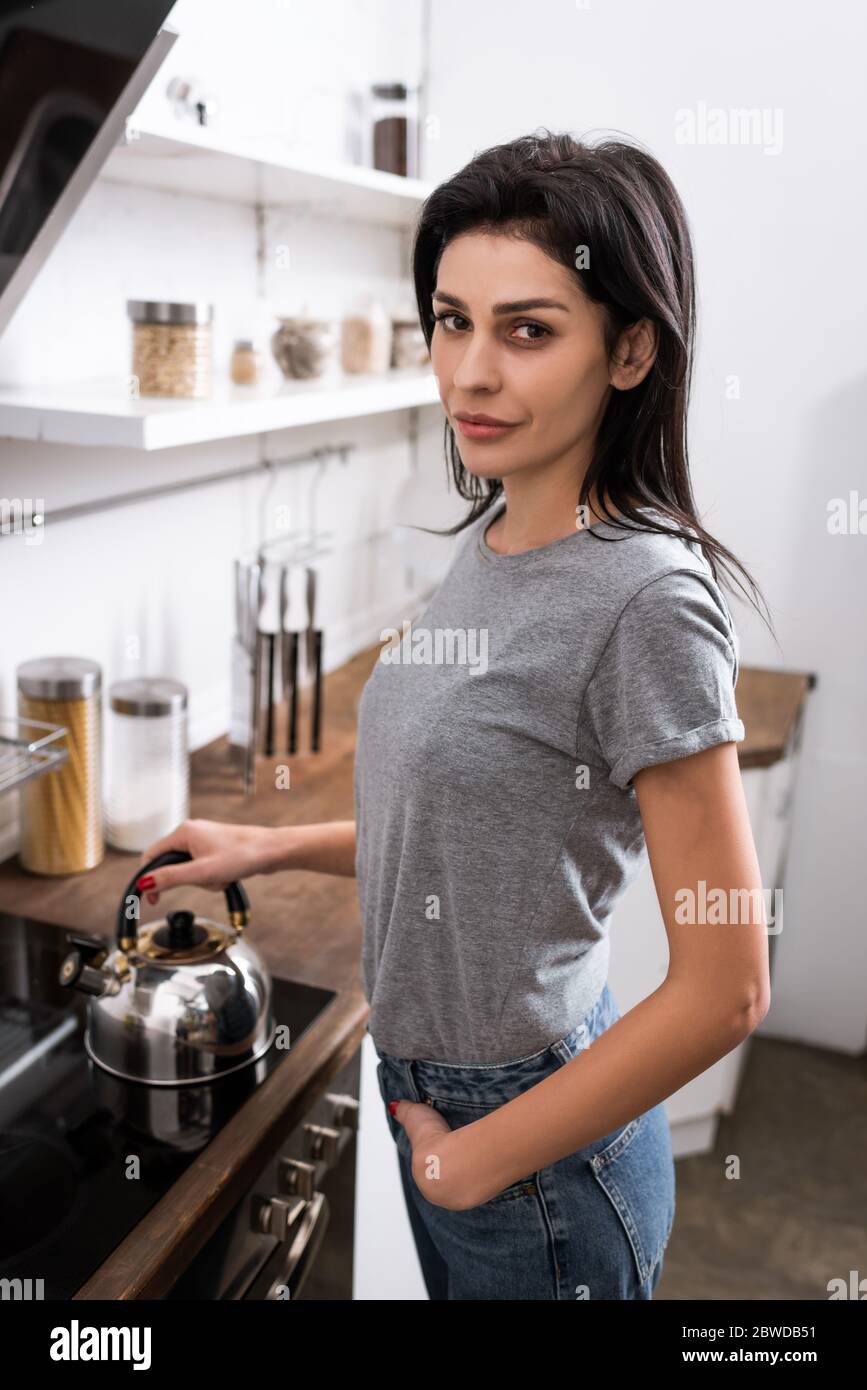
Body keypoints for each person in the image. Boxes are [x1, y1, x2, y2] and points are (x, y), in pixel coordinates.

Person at [136, 129, 774, 1301]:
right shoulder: (497, 533)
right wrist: (271, 844)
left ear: (630, 349)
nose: (470, 373)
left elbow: (727, 983)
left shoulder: (646, 600)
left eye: (528, 330)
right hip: (444, 1107)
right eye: (451, 319)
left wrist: (469, 1161)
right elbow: (473, 837)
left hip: (532, 1149)